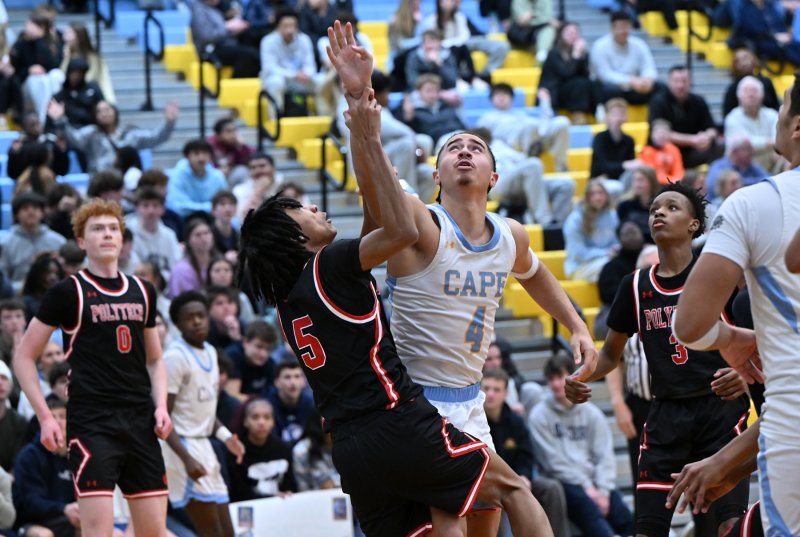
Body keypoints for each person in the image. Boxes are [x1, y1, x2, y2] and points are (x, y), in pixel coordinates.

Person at [235, 20, 556, 536]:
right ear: (291, 236)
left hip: (352, 451)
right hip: (398, 417)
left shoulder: (289, 300)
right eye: (301, 209)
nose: (314, 207)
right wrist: (363, 119)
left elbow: (374, 211)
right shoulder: (332, 264)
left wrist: (361, 110)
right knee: (515, 489)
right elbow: (399, 227)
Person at [328, 19, 591, 536]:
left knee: (488, 519)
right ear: (436, 175)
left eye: (476, 147)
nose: (464, 150)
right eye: (453, 147)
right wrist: (360, 98)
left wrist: (577, 326)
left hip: (471, 399)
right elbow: (374, 184)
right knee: (467, 513)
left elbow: (536, 276)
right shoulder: (423, 224)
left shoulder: (510, 235)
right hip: (417, 400)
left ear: (494, 175)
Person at [567, 183, 752, 537]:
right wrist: (581, 375)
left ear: (694, 225)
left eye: (671, 207)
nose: (659, 213)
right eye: (654, 209)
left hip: (720, 411)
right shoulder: (635, 285)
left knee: (727, 527)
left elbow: (759, 342)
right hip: (666, 415)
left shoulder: (719, 276)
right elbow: (610, 355)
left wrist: (743, 374)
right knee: (647, 530)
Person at [671, 74, 800, 537]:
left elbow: (689, 324)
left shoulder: (752, 204)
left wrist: (731, 338)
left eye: (782, 104)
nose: (777, 114)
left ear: (797, 126)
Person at [13, 198, 173, 537]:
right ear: (82, 241)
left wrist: (161, 405)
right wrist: (45, 417)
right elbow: (23, 357)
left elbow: (155, 359)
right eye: (98, 229)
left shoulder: (143, 291)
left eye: (113, 228)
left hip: (139, 420)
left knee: (153, 532)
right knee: (98, 532)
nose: (107, 234)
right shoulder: (67, 292)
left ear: (122, 238)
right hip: (92, 422)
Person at [162, 291, 245, 537]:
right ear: (178, 325)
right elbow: (162, 419)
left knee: (227, 532)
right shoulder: (174, 357)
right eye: (189, 318)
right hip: (182, 447)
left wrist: (227, 438)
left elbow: (207, 412)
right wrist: (187, 459)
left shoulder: (210, 351)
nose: (197, 321)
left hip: (205, 447)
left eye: (201, 315)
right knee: (211, 532)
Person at [529, 355, 633, 537]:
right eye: (551, 379)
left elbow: (605, 456)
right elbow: (553, 463)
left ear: (573, 378)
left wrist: (603, 490)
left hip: (594, 482)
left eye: (560, 377)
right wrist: (587, 488)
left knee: (622, 514)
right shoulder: (538, 416)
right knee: (589, 511)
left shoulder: (592, 413)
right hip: (564, 482)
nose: (556, 384)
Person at [481, 368, 570, 537]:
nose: (491, 394)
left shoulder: (516, 422)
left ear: (506, 394)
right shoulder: (474, 422)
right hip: (486, 483)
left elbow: (526, 455)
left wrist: (524, 476)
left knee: (551, 488)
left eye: (496, 389)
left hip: (516, 480)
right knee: (495, 497)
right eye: (487, 388)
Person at [470, 127, 574, 225]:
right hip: (496, 186)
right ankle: (544, 219)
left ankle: (557, 226)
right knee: (533, 164)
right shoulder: (472, 155)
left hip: (520, 183)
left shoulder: (500, 145)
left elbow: (523, 160)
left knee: (565, 184)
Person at [47, 99, 178, 173]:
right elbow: (74, 138)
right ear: (95, 116)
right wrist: (60, 119)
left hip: (126, 186)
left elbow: (156, 137)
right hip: (101, 184)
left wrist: (169, 123)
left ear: (115, 112)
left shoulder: (129, 134)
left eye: (108, 109)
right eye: (100, 111)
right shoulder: (91, 134)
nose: (105, 113)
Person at [11, 397, 76, 537]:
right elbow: (29, 503)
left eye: (62, 416)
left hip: (68, 519)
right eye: (52, 417)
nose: (57, 422)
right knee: (44, 535)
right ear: (41, 424)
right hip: (32, 522)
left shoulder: (78, 456)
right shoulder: (29, 456)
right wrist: (64, 508)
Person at [477, 83, 570, 173]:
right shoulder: (487, 118)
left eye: (505, 94)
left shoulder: (521, 115)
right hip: (511, 147)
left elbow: (543, 126)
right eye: (497, 94)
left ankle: (561, 166)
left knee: (562, 122)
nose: (501, 97)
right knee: (530, 126)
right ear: (491, 99)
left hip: (533, 139)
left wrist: (545, 102)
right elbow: (482, 140)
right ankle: (530, 163)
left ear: (511, 99)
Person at [648, 65, 723, 168]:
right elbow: (662, 135)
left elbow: (712, 128)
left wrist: (705, 137)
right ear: (669, 82)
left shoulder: (698, 101)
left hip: (694, 150)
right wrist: (692, 140)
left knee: (719, 145)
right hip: (667, 152)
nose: (680, 85)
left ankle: (714, 176)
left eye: (684, 81)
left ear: (690, 82)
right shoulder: (658, 101)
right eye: (676, 81)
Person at [228, 398, 296, 502]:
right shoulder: (236, 450)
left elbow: (290, 485)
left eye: (267, 417)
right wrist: (271, 499)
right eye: (255, 417)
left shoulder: (283, 449)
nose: (261, 422)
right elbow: (238, 492)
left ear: (273, 421)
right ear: (245, 421)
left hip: (281, 504)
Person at [422, 0, 509, 81]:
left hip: (465, 44)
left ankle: (485, 74)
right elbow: (430, 40)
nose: (449, 3)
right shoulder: (431, 20)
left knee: (501, 46)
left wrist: (450, 43)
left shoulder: (460, 16)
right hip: (443, 49)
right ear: (439, 3)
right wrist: (447, 44)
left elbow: (464, 37)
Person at [259, 8, 322, 113]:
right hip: (279, 79)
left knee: (322, 81)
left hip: (300, 80)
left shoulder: (304, 39)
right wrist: (294, 74)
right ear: (278, 26)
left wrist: (306, 74)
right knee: (276, 82)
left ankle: (324, 117)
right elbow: (270, 68)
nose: (290, 30)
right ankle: (275, 119)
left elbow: (310, 65)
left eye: (293, 26)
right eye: (285, 26)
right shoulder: (268, 41)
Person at [0, 191, 66, 292]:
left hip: (55, 293)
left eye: (35, 208)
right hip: (19, 295)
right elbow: (3, 280)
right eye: (25, 208)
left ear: (42, 213)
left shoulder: (58, 241)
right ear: (16, 215)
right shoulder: (6, 244)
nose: (30, 212)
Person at [590, 11, 659, 105]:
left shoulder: (639, 44)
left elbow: (649, 67)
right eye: (620, 27)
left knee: (660, 87)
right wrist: (631, 81)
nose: (623, 31)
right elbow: (605, 75)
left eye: (626, 26)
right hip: (613, 87)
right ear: (612, 28)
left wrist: (647, 79)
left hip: (636, 87)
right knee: (610, 90)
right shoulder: (599, 46)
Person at [594, 221, 645, 340]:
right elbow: (606, 295)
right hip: (616, 314)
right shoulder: (611, 267)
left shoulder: (653, 259)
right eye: (626, 233)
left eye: (634, 232)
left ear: (643, 236)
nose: (631, 235)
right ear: (619, 239)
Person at [538, 21, 595, 124]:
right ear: (561, 35)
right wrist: (576, 55)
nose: (573, 35)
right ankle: (578, 115)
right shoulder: (554, 53)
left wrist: (581, 57)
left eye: (575, 33)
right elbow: (566, 74)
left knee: (591, 84)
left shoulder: (581, 53)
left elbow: (586, 75)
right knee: (579, 83)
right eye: (569, 33)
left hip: (573, 93)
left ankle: (600, 112)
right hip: (553, 94)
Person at [562, 180, 619, 282]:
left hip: (607, 260)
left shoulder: (612, 215)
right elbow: (578, 253)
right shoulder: (575, 220)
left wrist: (616, 249)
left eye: (601, 193)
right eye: (593, 194)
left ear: (606, 196)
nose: (597, 197)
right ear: (587, 197)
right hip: (580, 266)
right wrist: (606, 253)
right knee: (613, 267)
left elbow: (616, 242)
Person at [189, 0, 259, 79]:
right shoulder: (198, 11)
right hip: (210, 50)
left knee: (254, 49)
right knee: (248, 55)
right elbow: (206, 36)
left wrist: (236, 29)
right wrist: (227, 27)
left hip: (225, 45)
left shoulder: (213, 8)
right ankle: (233, 84)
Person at [125, 187, 183, 282]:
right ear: (137, 208)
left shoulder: (169, 235)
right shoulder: (128, 233)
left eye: (155, 206)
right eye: (145, 206)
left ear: (163, 209)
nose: (151, 210)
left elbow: (177, 265)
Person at [723, 75, 780, 171]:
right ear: (738, 96)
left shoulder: (772, 115)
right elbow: (744, 145)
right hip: (741, 169)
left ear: (762, 96)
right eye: (746, 91)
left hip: (772, 164)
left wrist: (775, 145)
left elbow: (779, 140)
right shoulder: (732, 118)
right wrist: (771, 143)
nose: (750, 94)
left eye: (754, 91)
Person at [166, 139, 228, 219]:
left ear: (210, 157)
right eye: (196, 154)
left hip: (213, 219)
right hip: (184, 220)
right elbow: (179, 207)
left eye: (205, 154)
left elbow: (225, 203)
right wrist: (211, 207)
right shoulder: (176, 176)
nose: (201, 158)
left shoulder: (218, 176)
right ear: (187, 157)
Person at [589, 98, 640, 194]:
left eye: (621, 114)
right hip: (599, 180)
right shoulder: (599, 138)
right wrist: (624, 165)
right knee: (616, 187)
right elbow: (602, 166)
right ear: (607, 116)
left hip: (621, 179)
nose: (618, 118)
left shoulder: (629, 140)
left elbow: (631, 166)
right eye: (614, 114)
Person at [60, 22, 115, 103]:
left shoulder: (94, 58)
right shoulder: (65, 54)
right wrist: (66, 58)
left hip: (88, 95)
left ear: (79, 36)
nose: (64, 37)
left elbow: (88, 79)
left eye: (68, 34)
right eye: (64, 34)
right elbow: (62, 77)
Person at [264, 361, 314, 447]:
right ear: (276, 382)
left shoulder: (311, 405)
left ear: (304, 381)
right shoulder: (267, 406)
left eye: (297, 376)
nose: (293, 382)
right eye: (287, 377)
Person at [224, 319, 277, 400]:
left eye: (268, 349)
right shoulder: (232, 357)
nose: (263, 354)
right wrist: (262, 402)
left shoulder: (270, 363)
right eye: (259, 347)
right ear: (245, 342)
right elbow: (232, 397)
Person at [167, 217, 218, 299]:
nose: (204, 239)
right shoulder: (181, 270)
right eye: (198, 235)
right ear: (189, 241)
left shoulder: (220, 263)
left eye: (206, 233)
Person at [705, 135, 768, 201]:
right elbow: (715, 188)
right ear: (735, 151)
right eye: (748, 149)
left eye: (751, 149)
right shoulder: (718, 166)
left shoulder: (750, 165)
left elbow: (768, 179)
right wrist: (750, 183)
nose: (752, 152)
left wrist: (741, 182)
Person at [722, 47, 779, 118]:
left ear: (753, 59)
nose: (743, 62)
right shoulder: (733, 88)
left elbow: (775, 106)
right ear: (734, 65)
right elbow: (727, 115)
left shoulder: (766, 82)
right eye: (738, 60)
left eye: (745, 58)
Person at [616, 166, 659, 242]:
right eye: (634, 180)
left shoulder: (660, 204)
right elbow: (620, 230)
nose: (637, 184)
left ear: (651, 182)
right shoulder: (624, 205)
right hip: (632, 245)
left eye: (641, 180)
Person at [208, 118, 254, 186]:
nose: (233, 134)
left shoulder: (237, 144)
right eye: (228, 131)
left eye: (234, 130)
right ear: (218, 135)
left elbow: (250, 161)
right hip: (212, 179)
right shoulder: (210, 145)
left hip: (229, 179)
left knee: (242, 171)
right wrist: (217, 172)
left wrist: (242, 147)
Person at [0, 360, 26, 472]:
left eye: (4, 378)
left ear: (11, 385)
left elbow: (19, 460)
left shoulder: (19, 422)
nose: (0, 383)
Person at [639, 120, 684, 185]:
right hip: (655, 184)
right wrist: (671, 180)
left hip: (673, 182)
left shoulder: (674, 149)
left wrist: (677, 180)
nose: (662, 136)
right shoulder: (647, 151)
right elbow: (652, 174)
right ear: (651, 135)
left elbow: (678, 170)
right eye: (658, 133)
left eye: (665, 133)